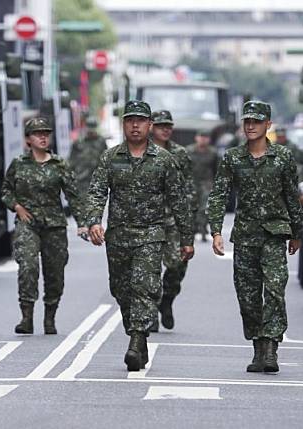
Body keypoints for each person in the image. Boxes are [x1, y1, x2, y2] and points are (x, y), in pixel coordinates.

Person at [87, 100, 194, 371]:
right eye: (130, 120)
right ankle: (137, 333)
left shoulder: (164, 160)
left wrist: (186, 239)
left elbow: (179, 200)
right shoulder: (110, 158)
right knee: (121, 289)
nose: (135, 125)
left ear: (149, 125)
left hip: (151, 234)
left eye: (141, 120)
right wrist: (93, 222)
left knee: (144, 287)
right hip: (119, 236)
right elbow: (97, 191)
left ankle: (136, 340)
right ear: (124, 125)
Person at [207, 101, 303, 373]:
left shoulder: (283, 157)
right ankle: (258, 347)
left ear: (268, 125)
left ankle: (271, 348)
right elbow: (219, 195)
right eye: (247, 121)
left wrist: (297, 233)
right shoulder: (233, 158)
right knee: (248, 297)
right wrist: (216, 231)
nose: (251, 126)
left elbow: (291, 196)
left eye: (257, 121)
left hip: (274, 235)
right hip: (246, 236)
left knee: (274, 291)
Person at [1, 117, 88, 335]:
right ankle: (26, 317)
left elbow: (74, 196)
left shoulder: (60, 165)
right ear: (28, 139)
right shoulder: (18, 164)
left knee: (55, 272)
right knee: (28, 266)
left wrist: (82, 224)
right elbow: (5, 190)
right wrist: (17, 206)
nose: (42, 137)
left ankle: (50, 317)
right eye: (37, 134)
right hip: (27, 224)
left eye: (45, 134)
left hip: (54, 226)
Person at [149, 110, 198, 332]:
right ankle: (149, 314)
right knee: (147, 269)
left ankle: (167, 300)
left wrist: (191, 216)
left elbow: (189, 185)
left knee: (177, 266)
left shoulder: (180, 153)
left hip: (175, 220)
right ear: (152, 127)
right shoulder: (141, 151)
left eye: (168, 126)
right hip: (148, 219)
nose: (165, 129)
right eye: (161, 126)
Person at [187, 129, 219, 242]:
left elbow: (216, 169)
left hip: (207, 183)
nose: (203, 139)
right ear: (196, 138)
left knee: (204, 208)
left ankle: (203, 229)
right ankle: (194, 228)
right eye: (201, 137)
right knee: (192, 207)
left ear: (209, 139)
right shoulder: (189, 151)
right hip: (191, 183)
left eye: (205, 137)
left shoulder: (213, 153)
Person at [69, 116, 108, 196]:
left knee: (96, 205)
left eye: (93, 128)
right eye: (89, 128)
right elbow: (71, 161)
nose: (91, 131)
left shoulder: (101, 141)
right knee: (82, 204)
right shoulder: (78, 142)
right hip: (81, 180)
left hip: (97, 180)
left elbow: (107, 159)